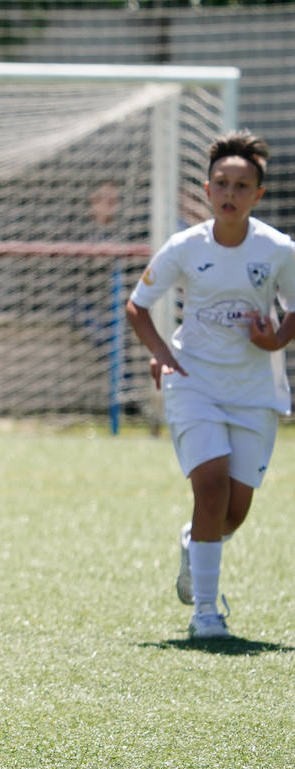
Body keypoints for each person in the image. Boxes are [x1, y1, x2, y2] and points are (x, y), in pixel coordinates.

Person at [125, 130, 295, 640]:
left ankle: (193, 544)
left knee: (233, 514)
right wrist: (162, 354)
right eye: (221, 182)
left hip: (254, 392)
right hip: (193, 383)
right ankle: (205, 616)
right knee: (212, 488)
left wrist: (275, 340)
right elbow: (137, 306)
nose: (230, 192)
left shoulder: (279, 249)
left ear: (258, 195)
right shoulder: (184, 247)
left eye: (242, 185)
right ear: (206, 189)